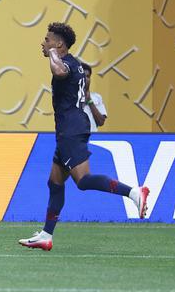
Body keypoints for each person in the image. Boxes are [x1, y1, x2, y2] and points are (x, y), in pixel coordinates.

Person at [18, 22, 149, 251]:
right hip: (70, 129)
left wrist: (51, 53)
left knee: (83, 181)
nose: (43, 43)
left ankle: (134, 192)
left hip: (71, 129)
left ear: (59, 44)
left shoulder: (66, 64)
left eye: (47, 40)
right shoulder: (76, 64)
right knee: (55, 183)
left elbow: (58, 71)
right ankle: (46, 235)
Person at [80, 63, 107, 132]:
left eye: (88, 76)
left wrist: (89, 100)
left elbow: (101, 122)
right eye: (83, 76)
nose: (86, 79)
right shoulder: (69, 96)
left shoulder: (97, 97)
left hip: (92, 137)